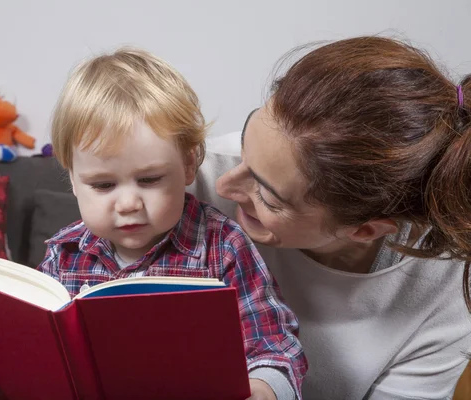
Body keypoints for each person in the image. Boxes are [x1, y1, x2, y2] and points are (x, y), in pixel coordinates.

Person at [0, 48, 307, 399]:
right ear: (72, 179)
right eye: (103, 185)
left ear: (189, 165)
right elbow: (26, 348)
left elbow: (274, 344)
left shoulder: (224, 246)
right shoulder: (63, 254)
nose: (129, 203)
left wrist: (265, 389)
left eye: (149, 180)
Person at [189, 36, 471, 399]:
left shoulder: (443, 289)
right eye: (246, 141)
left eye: (267, 196)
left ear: (365, 229)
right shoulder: (175, 180)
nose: (226, 186)